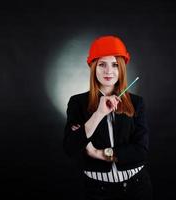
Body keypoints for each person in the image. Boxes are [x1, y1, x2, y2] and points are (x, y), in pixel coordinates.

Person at [63, 35, 153, 200]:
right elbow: (70, 147)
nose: (109, 71)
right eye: (102, 64)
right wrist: (98, 114)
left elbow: (140, 151)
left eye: (115, 65)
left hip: (136, 189)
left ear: (122, 69)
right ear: (93, 67)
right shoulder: (77, 103)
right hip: (96, 191)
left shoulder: (137, 103)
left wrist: (97, 153)